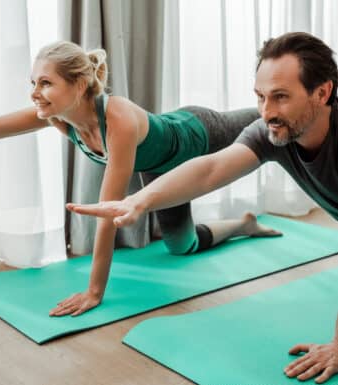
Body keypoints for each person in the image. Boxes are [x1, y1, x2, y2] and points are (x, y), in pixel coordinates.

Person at [66, 32, 338, 383]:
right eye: (260, 97)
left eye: (281, 97)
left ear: (323, 92)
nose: (267, 111)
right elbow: (210, 169)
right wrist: (136, 202)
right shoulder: (273, 132)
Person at [0, 41, 280, 317]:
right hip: (162, 170)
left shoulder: (117, 118)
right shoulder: (58, 116)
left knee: (271, 121)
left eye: (46, 83)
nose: (35, 94)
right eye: (33, 83)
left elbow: (109, 212)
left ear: (79, 85)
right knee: (182, 246)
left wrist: (94, 292)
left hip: (199, 132)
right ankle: (245, 224)